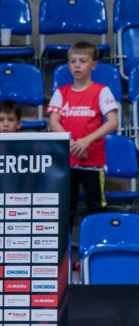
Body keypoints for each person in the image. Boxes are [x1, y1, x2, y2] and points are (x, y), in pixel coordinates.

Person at [49, 42, 120, 222]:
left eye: (82, 61)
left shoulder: (102, 91)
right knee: (66, 208)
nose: (77, 65)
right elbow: (53, 122)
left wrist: (86, 140)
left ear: (93, 65)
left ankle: (97, 247)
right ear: (68, 65)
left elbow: (113, 122)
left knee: (96, 207)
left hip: (94, 163)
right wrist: (72, 143)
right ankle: (63, 250)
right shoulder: (61, 92)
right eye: (73, 61)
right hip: (68, 161)